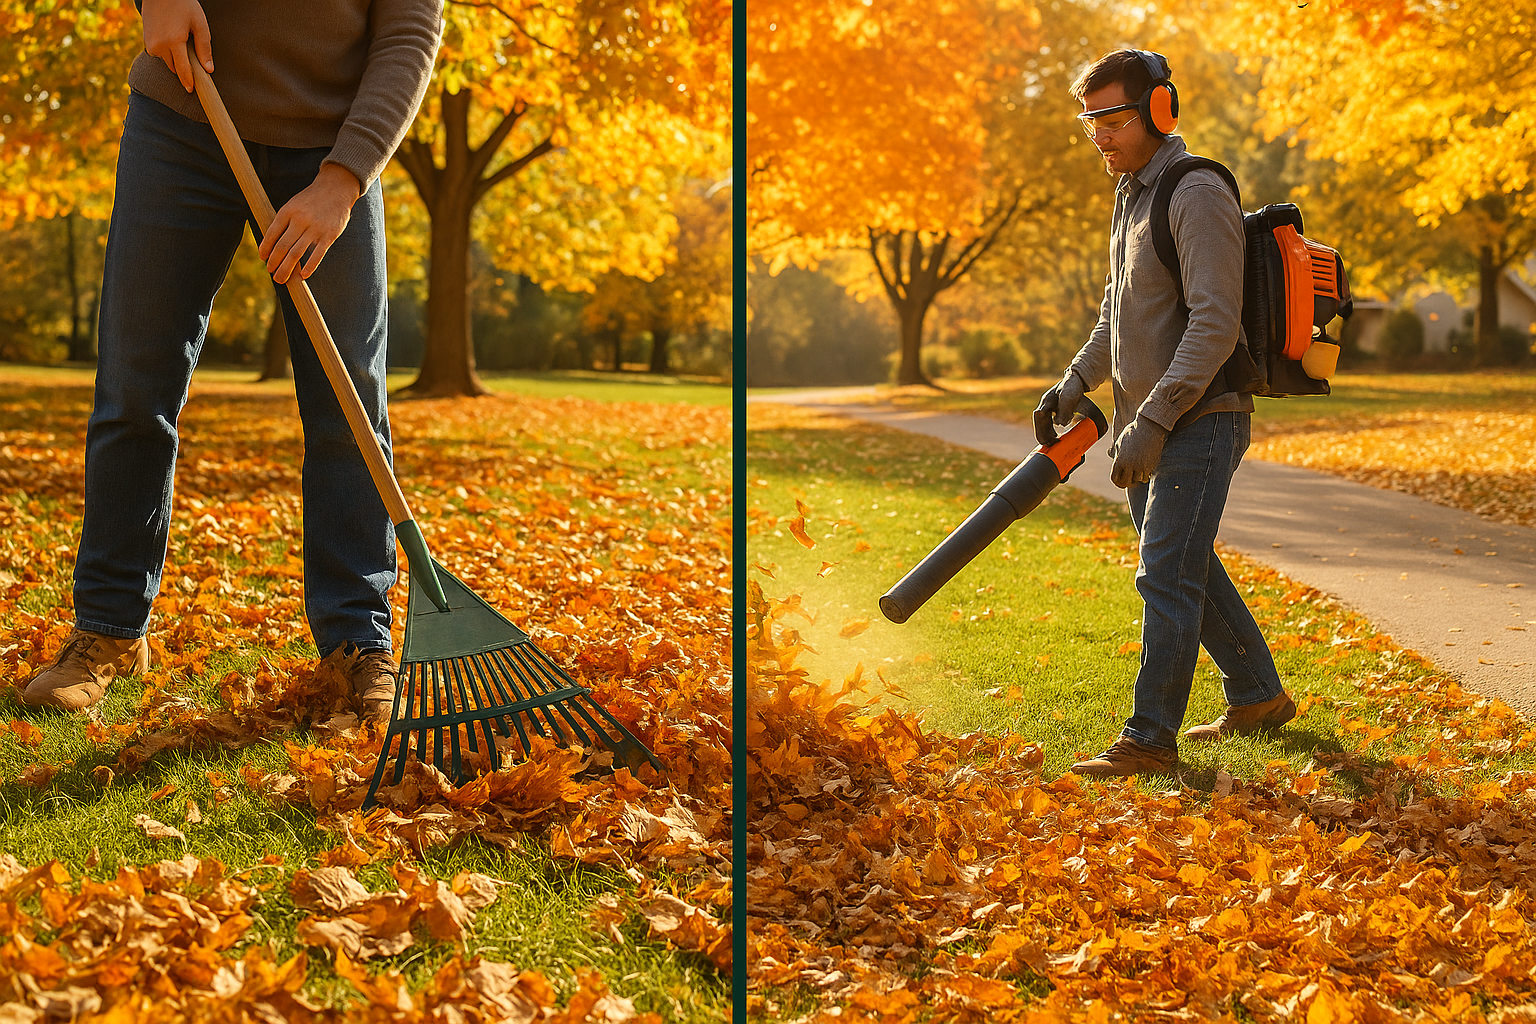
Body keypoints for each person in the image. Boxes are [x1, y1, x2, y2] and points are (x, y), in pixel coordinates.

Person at [21, 0, 442, 726]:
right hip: (181, 122)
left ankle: (355, 643)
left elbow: (409, 31)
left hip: (330, 150)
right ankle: (111, 629)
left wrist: (344, 181)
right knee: (134, 391)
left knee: (350, 408)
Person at [1033, 49, 1295, 777]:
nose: (1102, 138)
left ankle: (1149, 741)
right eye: (1092, 123)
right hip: (1152, 424)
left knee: (1164, 575)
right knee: (1186, 565)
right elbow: (1118, 308)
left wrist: (1149, 424)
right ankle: (1258, 694)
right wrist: (1076, 379)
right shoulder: (1129, 194)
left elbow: (1214, 324)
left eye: (1114, 120)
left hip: (1199, 419)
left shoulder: (1195, 189)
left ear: (1159, 110)